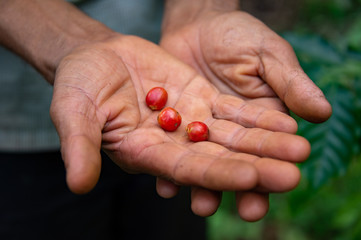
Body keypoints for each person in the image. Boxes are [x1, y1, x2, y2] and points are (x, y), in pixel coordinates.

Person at [0, 0, 332, 239]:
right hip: (18, 127)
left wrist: (202, 11)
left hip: (158, 85)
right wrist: (70, 43)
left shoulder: (170, 115)